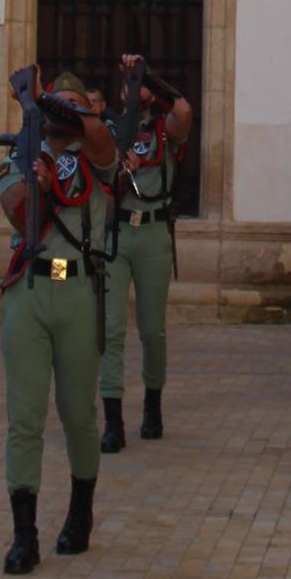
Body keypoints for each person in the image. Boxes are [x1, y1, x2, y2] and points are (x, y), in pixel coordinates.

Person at [0, 69, 117, 574]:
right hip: (29, 289)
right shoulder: (21, 155)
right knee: (24, 417)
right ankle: (24, 533)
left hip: (79, 292)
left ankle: (80, 511)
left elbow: (103, 140)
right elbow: (15, 210)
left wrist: (60, 103)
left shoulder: (98, 160)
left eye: (75, 104)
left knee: (77, 413)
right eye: (57, 105)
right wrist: (36, 181)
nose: (64, 111)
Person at [98, 59, 192, 452]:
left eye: (136, 85)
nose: (132, 91)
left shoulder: (164, 130)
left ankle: (152, 404)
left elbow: (184, 111)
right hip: (117, 234)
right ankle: (113, 419)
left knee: (152, 330)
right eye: (127, 84)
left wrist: (150, 77)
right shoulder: (108, 130)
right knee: (111, 330)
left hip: (153, 232)